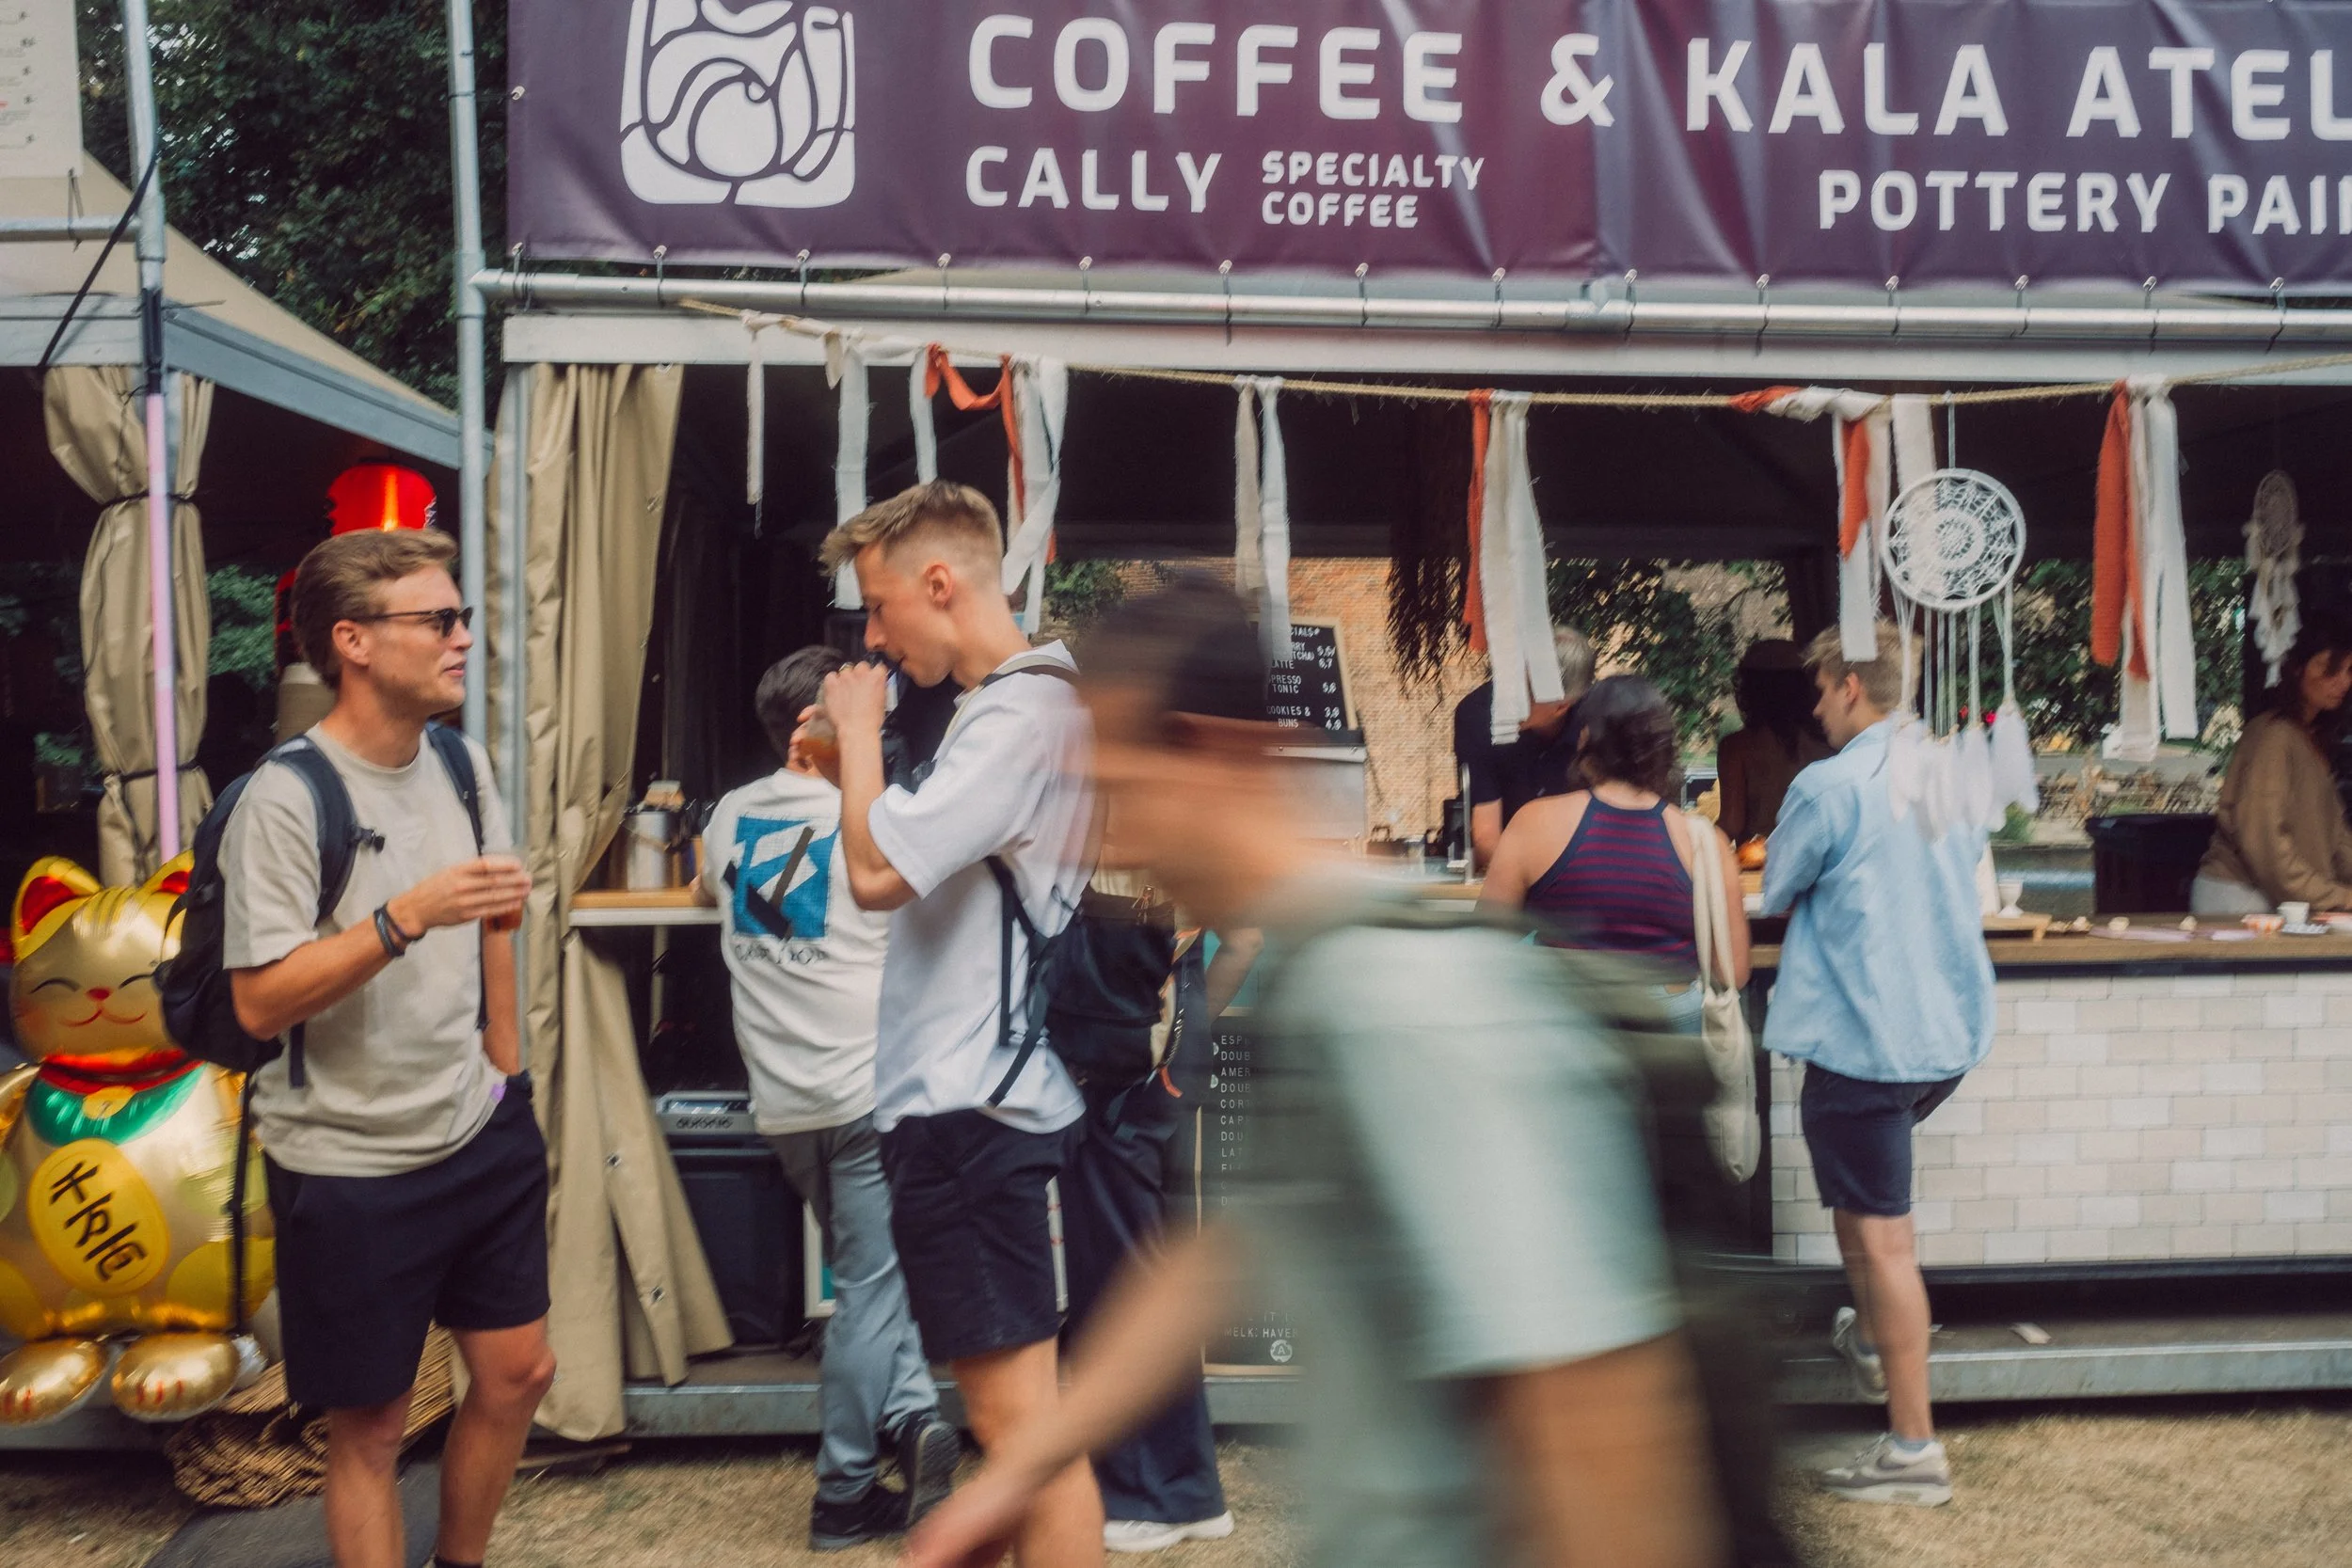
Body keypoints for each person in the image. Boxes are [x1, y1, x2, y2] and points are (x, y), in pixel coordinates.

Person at [908, 577, 1728, 1568]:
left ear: (1209, 750)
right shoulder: (1311, 967)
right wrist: (1016, 1468)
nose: (1103, 825)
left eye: (1111, 776)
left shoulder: (1397, 998)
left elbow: (1599, 1415)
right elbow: (1218, 1260)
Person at [223, 529, 549, 1568]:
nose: (463, 638)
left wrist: (506, 1063)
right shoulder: (283, 798)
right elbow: (261, 1001)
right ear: (353, 641)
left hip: (478, 1122)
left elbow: (499, 910)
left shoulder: (464, 762)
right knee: (368, 1424)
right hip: (347, 1160)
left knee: (517, 1371)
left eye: (461, 617)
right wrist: (403, 915)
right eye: (439, 620)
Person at [813, 481, 1104, 1568]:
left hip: (967, 1106)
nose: (875, 635)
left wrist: (857, 735)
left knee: (1021, 1432)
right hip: (984, 1101)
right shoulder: (1024, 707)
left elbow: (879, 870)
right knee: (1025, 1424)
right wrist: (857, 765)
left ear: (941, 583)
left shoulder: (1018, 714)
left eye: (880, 607)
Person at [695, 645, 961, 1551]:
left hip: (786, 1095)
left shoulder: (728, 816)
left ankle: (920, 1417)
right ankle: (844, 1491)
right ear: (814, 731)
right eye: (858, 717)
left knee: (870, 1278)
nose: (876, 730)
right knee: (873, 1296)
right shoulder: (875, 823)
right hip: (870, 1089)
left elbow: (706, 888)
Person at [1760, 624, 1994, 1508]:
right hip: (1939, 1034)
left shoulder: (1829, 784)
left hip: (1865, 1034)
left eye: (1820, 691)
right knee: (1864, 1213)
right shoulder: (1951, 770)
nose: (1815, 708)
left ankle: (1913, 1448)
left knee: (1885, 1237)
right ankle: (1867, 1342)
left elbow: (1777, 886)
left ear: (1850, 685)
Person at [1483, 674, 1750, 1022]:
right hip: (1669, 1031)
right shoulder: (1704, 842)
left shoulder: (1534, 823)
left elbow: (1485, 942)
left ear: (1586, 741)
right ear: (1664, 748)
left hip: (1567, 1020)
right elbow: (1734, 972)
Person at [2193, 614, 2352, 915]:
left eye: (2349, 670)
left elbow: (2337, 841)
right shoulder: (2273, 736)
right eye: (2330, 667)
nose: (2343, 681)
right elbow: (2265, 843)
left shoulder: (2307, 738)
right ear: (2295, 668)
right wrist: (2339, 897)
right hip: (2240, 897)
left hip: (2281, 898)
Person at [1452, 624, 1595, 868]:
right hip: (1511, 869)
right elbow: (1487, 839)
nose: (1508, 698)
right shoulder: (1477, 715)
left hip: (1582, 869)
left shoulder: (1597, 722)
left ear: (1560, 706)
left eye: (1522, 693)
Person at [1714, 640, 1833, 844]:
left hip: (1763, 865)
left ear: (1750, 690)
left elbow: (1731, 824)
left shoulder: (1736, 747)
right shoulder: (1829, 742)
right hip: (1822, 861)